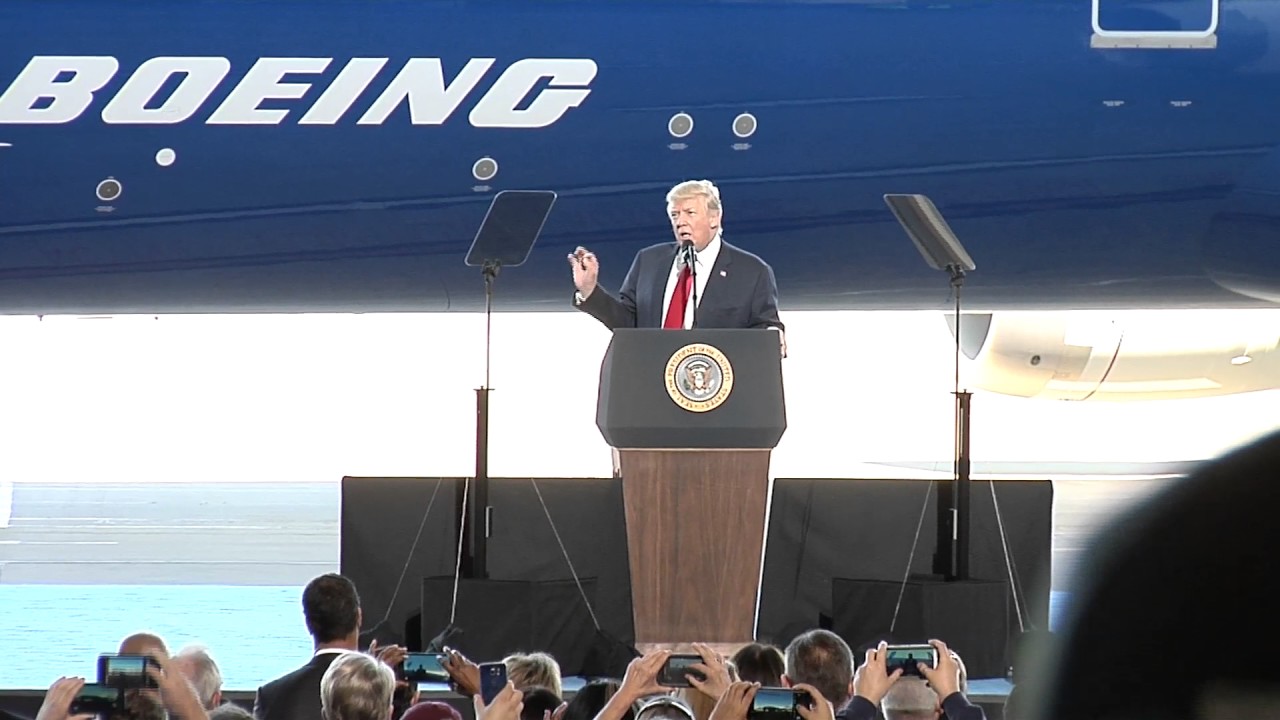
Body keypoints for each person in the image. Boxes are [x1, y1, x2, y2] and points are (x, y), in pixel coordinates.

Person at [568, 180, 785, 343]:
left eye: (690, 213)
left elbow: (765, 326)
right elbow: (627, 323)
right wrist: (589, 290)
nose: (680, 222)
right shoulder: (649, 261)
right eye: (674, 215)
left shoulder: (751, 271)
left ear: (714, 218)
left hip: (713, 388)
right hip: (652, 380)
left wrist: (774, 336)